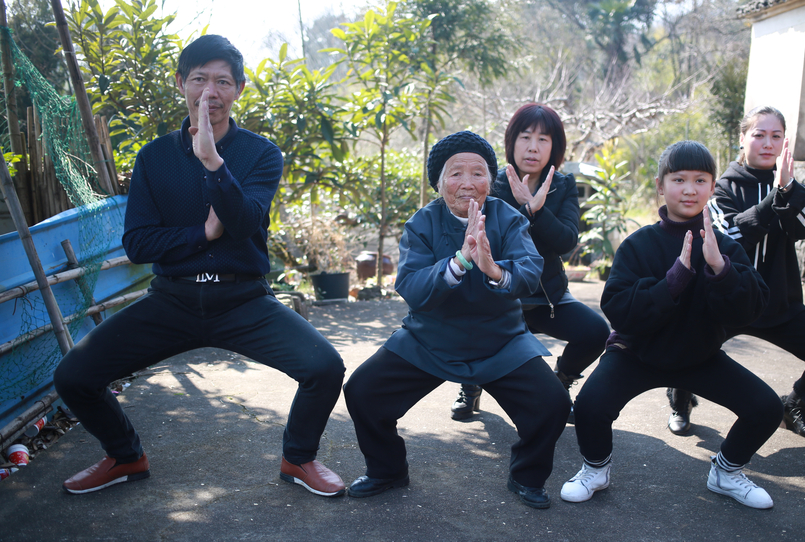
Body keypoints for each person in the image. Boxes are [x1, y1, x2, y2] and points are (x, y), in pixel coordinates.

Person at [53, 35, 347, 497]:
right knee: (73, 375)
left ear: (239, 90)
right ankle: (124, 456)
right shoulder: (153, 157)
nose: (210, 91)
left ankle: (299, 458)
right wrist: (202, 234)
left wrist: (211, 160)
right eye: (199, 79)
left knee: (325, 367)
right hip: (172, 299)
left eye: (222, 82)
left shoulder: (261, 154)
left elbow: (246, 220)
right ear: (180, 84)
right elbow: (138, 244)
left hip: (243, 299)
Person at [343, 131, 570, 509]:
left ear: (490, 180)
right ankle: (386, 469)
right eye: (455, 174)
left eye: (479, 173)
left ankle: (527, 476)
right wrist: (459, 262)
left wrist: (494, 270)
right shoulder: (422, 222)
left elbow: (530, 270)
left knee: (552, 403)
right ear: (438, 182)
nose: (468, 183)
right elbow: (412, 286)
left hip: (501, 341)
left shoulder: (509, 218)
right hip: (429, 339)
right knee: (363, 390)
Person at [560, 141, 783, 510]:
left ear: (712, 187)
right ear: (661, 186)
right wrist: (672, 282)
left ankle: (726, 472)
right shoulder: (638, 245)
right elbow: (618, 308)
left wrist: (721, 270)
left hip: (700, 356)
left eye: (700, 180)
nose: (690, 189)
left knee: (766, 408)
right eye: (679, 179)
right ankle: (596, 469)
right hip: (636, 353)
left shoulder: (725, 246)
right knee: (589, 405)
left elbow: (751, 309)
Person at [665, 106, 805, 441]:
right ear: (743, 138)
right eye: (759, 135)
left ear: (785, 142)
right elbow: (732, 235)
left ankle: (794, 404)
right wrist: (777, 195)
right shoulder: (721, 187)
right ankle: (680, 401)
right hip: (728, 300)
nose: (767, 143)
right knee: (685, 345)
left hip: (779, 301)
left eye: (776, 136)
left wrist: (788, 189)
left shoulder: (794, 186)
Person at [450, 103, 610, 422]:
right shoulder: (492, 185)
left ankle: (561, 381)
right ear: (512, 142)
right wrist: (521, 207)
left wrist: (536, 210)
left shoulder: (563, 186)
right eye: (525, 137)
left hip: (547, 298)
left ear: (555, 147)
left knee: (596, 332)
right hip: (499, 298)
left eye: (543, 139)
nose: (533, 147)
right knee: (468, 327)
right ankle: (471, 385)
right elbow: (481, 241)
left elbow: (566, 241)